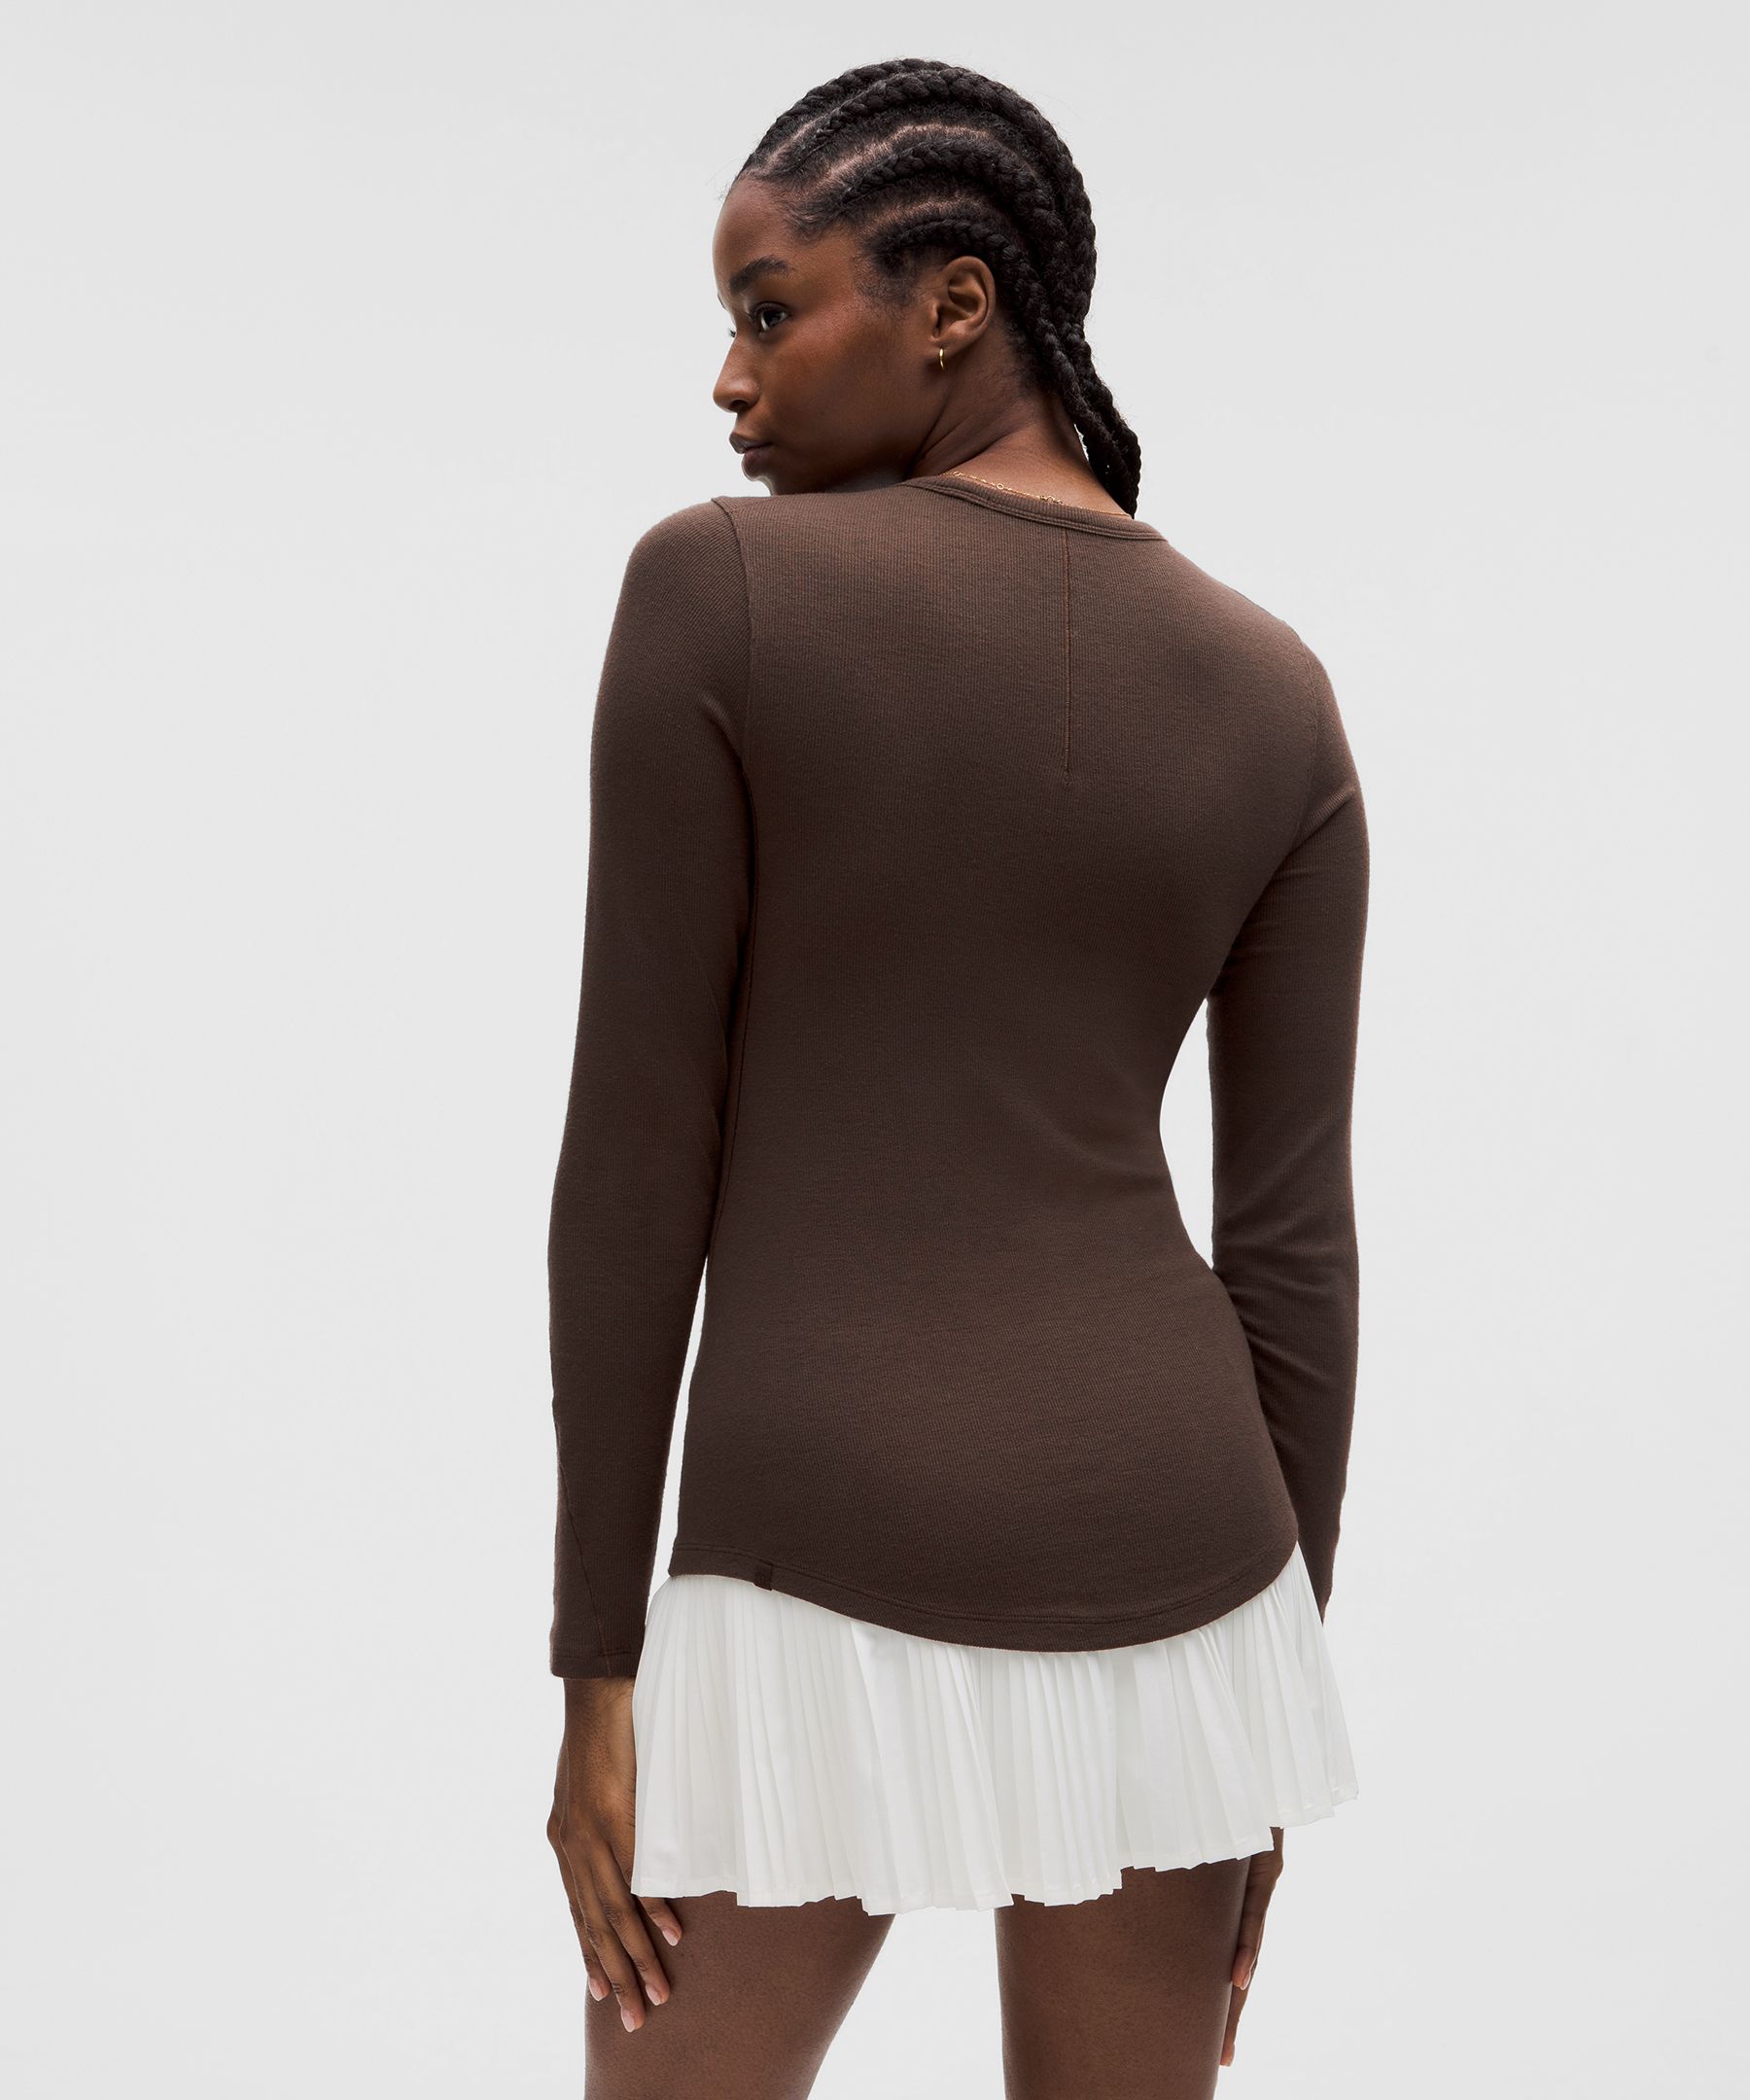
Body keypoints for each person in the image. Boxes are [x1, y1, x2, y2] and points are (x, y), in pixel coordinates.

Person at [544, 56, 1368, 2099]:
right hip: (1192, 1572)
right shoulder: (1279, 696)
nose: (728, 381)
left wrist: (596, 1669)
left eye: (767, 309)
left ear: (954, 304)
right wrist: (1263, 1717)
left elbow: (638, 1165)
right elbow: (1292, 1260)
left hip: (810, 1536)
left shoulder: (718, 592)